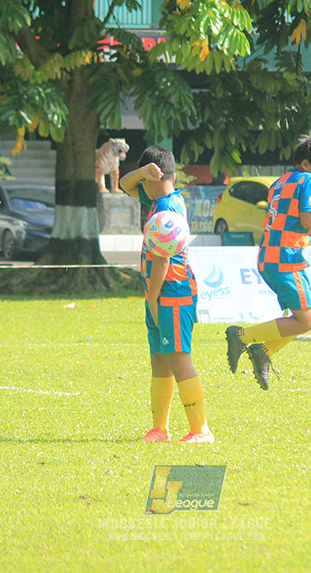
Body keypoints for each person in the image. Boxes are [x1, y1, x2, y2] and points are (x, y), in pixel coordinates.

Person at [224, 135, 311, 390]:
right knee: (305, 321)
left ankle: (264, 352)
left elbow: (293, 221)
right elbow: (305, 220)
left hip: (274, 255)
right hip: (284, 259)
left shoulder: (281, 181)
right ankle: (241, 336)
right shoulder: (306, 179)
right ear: (306, 164)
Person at [119, 145, 213, 443]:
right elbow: (125, 184)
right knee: (159, 359)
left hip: (171, 292)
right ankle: (160, 429)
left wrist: (152, 297)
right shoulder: (164, 199)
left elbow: (161, 260)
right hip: (160, 292)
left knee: (177, 358)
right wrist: (142, 173)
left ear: (154, 177)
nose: (140, 185)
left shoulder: (167, 211)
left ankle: (201, 430)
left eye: (145, 178)